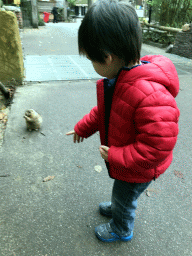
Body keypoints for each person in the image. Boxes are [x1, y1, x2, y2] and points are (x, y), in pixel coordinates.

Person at [66, 0, 180, 243]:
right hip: (127, 161)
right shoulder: (122, 78)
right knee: (121, 194)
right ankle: (119, 205)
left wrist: (117, 156)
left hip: (138, 168)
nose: (92, 64)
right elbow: (105, 112)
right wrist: (82, 128)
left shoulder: (151, 95)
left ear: (107, 58)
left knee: (125, 197)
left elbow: (157, 147)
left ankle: (121, 228)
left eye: (91, 59)